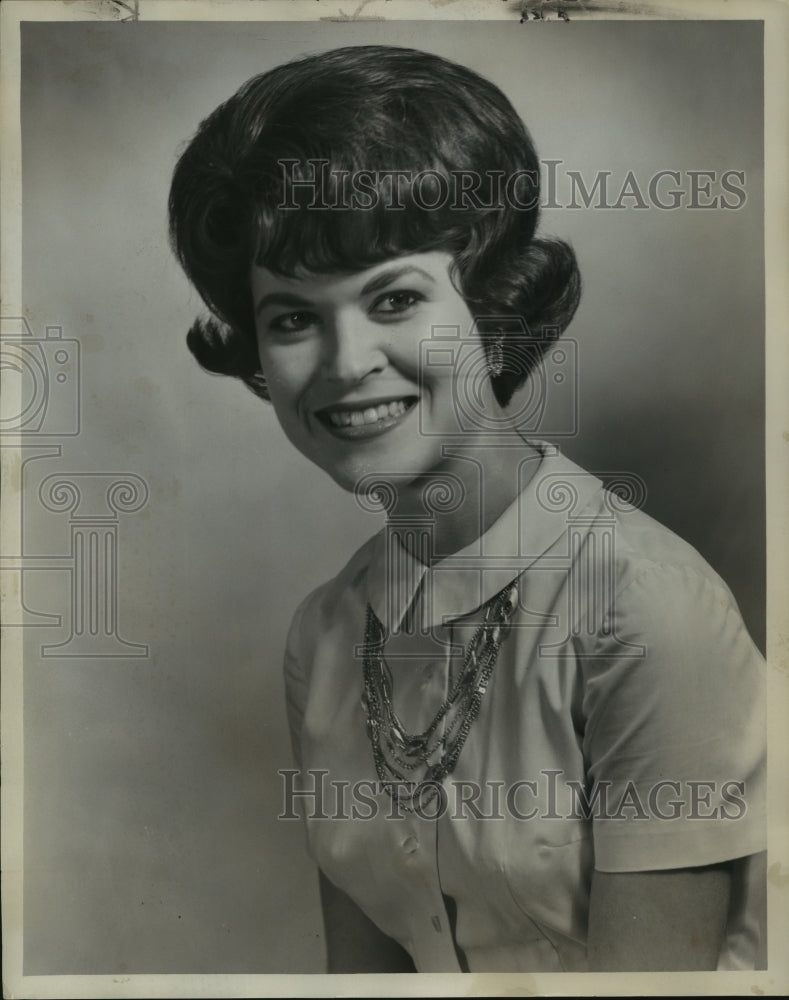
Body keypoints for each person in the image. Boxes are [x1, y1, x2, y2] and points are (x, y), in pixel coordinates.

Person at [167, 45, 766, 973]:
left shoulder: (644, 609)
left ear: (490, 306)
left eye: (395, 299)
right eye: (291, 317)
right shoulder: (326, 636)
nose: (342, 361)